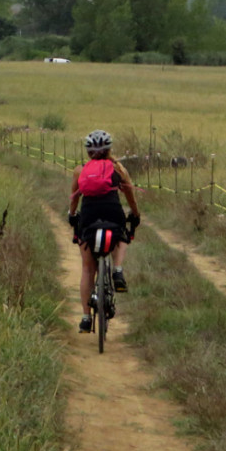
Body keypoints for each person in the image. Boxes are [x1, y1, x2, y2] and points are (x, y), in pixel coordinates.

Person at [67, 129, 141, 333]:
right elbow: (130, 194)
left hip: (89, 215)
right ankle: (117, 269)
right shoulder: (118, 168)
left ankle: (85, 318)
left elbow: (74, 198)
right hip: (112, 212)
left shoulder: (80, 170)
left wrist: (72, 215)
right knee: (122, 234)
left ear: (88, 152)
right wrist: (135, 214)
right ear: (109, 149)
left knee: (87, 269)